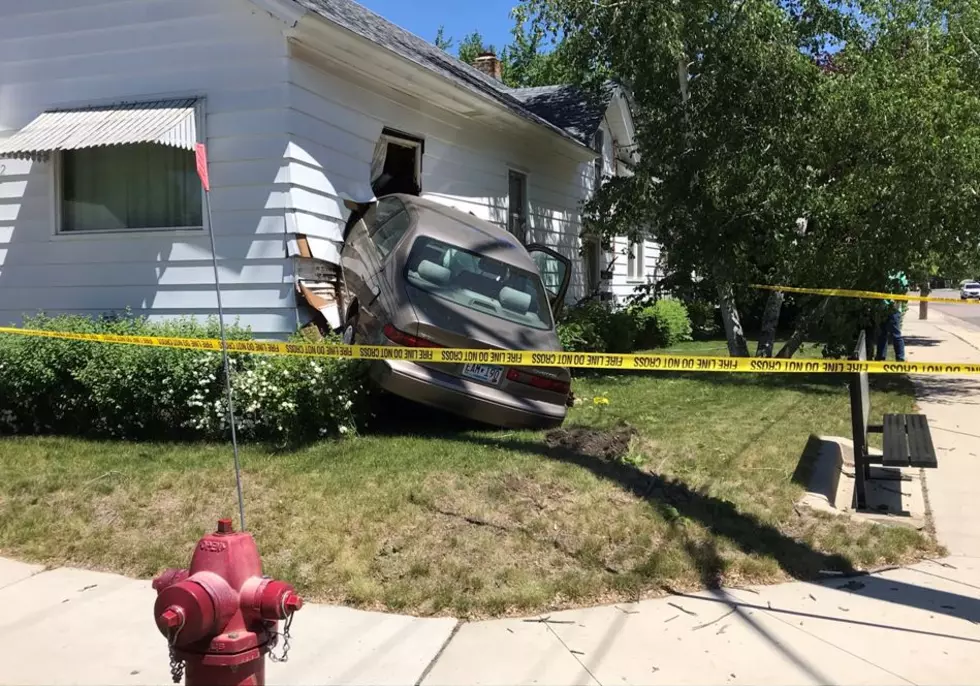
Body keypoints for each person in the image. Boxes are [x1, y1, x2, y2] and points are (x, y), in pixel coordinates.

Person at [876, 271, 909, 362]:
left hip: (894, 309)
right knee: (882, 335)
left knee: (896, 335)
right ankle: (880, 359)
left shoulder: (900, 274)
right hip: (882, 308)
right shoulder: (882, 271)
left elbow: (904, 290)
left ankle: (900, 359)